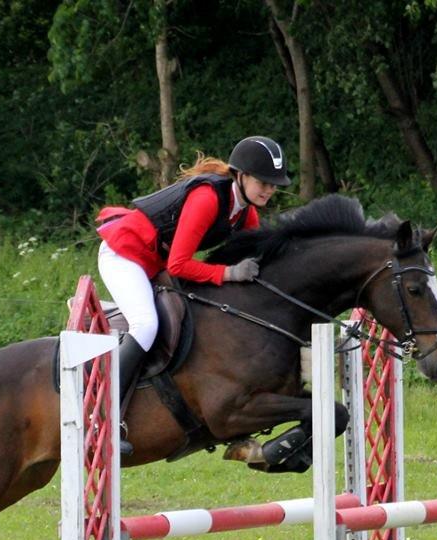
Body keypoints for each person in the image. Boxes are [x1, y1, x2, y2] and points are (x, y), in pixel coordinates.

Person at [95, 135, 291, 454]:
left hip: (154, 261)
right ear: (240, 175)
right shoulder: (208, 198)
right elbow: (180, 263)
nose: (269, 189)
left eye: (274, 184)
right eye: (263, 181)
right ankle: (102, 415)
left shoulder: (246, 214)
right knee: (145, 325)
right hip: (124, 254)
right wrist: (228, 273)